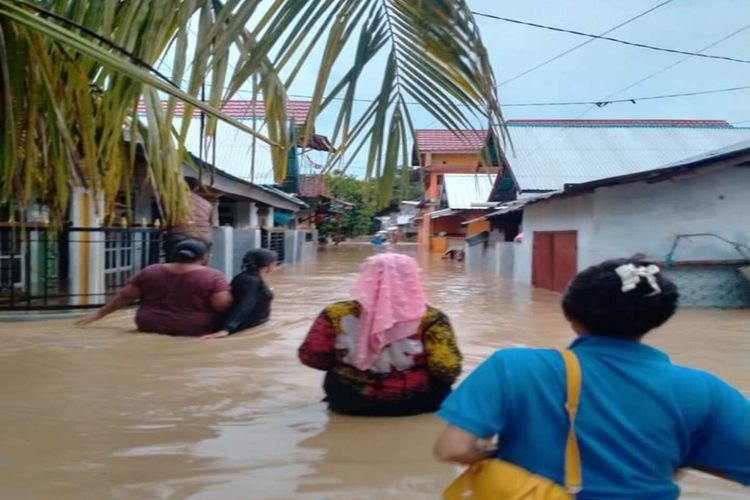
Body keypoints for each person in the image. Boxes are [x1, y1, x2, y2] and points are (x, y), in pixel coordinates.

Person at [434, 259, 750, 498]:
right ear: (658, 318)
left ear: (569, 314)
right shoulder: (705, 389)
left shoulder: (515, 366)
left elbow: (452, 448)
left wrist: (490, 454)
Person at [298, 253, 462, 416]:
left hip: (348, 401)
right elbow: (446, 368)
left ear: (366, 277)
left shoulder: (334, 313)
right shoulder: (432, 318)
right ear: (412, 278)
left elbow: (313, 357)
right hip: (419, 402)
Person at [76, 239, 232, 337]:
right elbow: (222, 305)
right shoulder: (213, 276)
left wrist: (98, 315)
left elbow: (126, 296)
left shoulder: (151, 270)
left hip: (148, 324)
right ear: (204, 257)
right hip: (192, 329)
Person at [201, 249, 278, 340]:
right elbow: (245, 305)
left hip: (252, 325)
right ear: (269, 264)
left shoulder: (249, 277)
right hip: (246, 328)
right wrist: (226, 329)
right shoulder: (251, 280)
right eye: (275, 262)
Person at [166, 176, 214, 261]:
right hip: (204, 237)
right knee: (200, 267)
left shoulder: (174, 200)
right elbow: (211, 223)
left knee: (174, 265)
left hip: (181, 235)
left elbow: (168, 218)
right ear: (196, 188)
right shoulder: (206, 203)